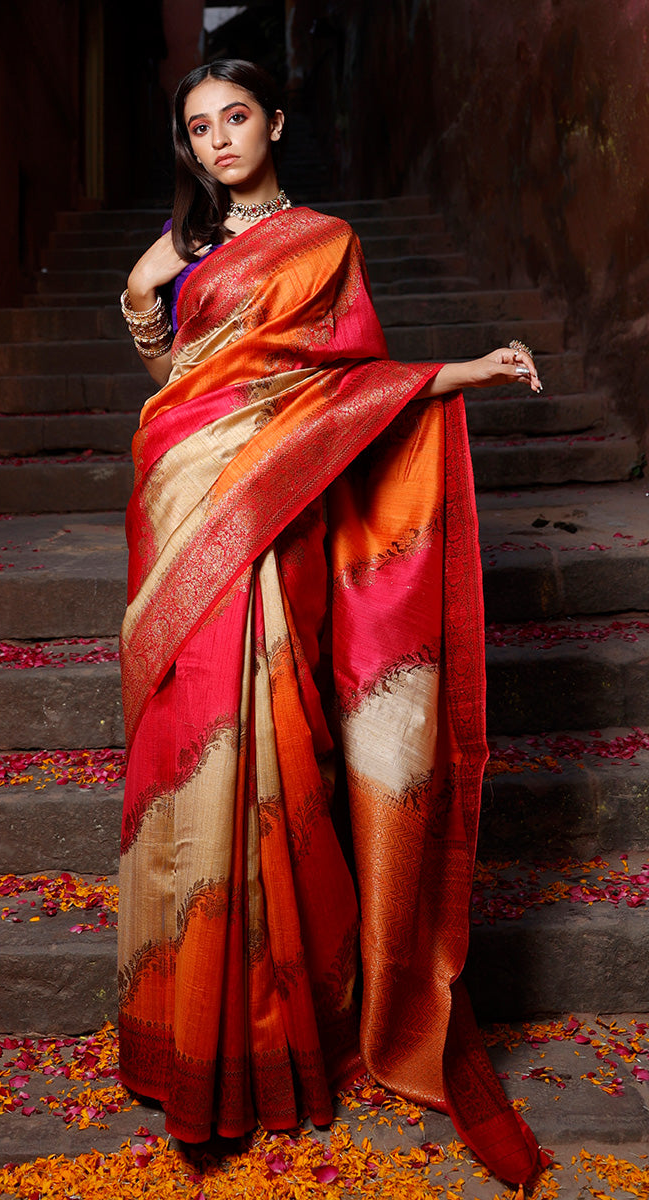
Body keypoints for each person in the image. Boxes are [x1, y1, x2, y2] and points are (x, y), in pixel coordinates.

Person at [117, 58, 550, 1192]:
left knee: (266, 728)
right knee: (189, 737)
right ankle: (188, 1022)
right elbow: (178, 380)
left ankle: (271, 1020)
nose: (216, 141)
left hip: (272, 512)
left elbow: (336, 388)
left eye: (234, 119)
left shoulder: (323, 243)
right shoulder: (189, 248)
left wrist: (461, 373)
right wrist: (138, 294)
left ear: (272, 124)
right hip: (181, 494)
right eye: (197, 128)